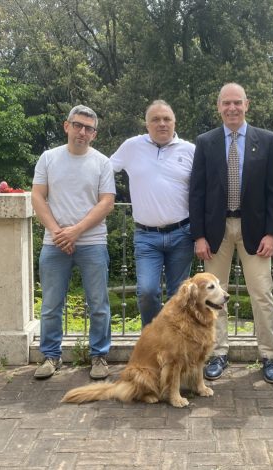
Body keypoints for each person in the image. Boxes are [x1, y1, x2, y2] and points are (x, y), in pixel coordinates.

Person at [189, 82, 273, 384]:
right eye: (226, 103)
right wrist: (199, 236)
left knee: (262, 294)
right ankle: (218, 353)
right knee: (213, 298)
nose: (232, 108)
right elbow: (197, 192)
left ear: (247, 104)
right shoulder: (206, 142)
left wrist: (272, 233)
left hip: (255, 231)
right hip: (216, 232)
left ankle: (269, 355)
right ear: (218, 107)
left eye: (237, 103)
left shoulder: (267, 141)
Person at [31, 105, 116, 380]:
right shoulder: (48, 158)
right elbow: (37, 196)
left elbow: (107, 202)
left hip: (92, 242)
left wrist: (75, 231)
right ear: (66, 126)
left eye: (88, 128)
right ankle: (50, 357)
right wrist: (59, 232)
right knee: (51, 304)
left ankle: (99, 357)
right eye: (77, 125)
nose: (82, 131)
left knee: (98, 303)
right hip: (54, 242)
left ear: (94, 134)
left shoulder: (102, 162)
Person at [110, 100, 195, 327]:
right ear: (147, 124)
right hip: (146, 236)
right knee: (147, 292)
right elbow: (104, 170)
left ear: (175, 122)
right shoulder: (131, 147)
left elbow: (204, 190)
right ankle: (154, 340)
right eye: (155, 119)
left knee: (179, 297)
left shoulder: (190, 150)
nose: (162, 123)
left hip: (182, 234)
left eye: (167, 119)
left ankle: (176, 347)